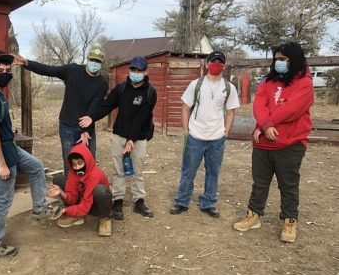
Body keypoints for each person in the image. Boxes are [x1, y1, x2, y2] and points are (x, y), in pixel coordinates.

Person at [233, 42, 313, 243]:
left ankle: (289, 220)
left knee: (288, 185)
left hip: (289, 144)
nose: (279, 62)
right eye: (277, 59)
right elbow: (259, 104)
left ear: (294, 60)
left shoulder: (304, 83)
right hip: (262, 143)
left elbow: (292, 109)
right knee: (259, 183)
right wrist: (264, 125)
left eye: (283, 59)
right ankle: (254, 214)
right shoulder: (268, 82)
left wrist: (267, 124)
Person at [0, 50, 51, 257]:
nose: (4, 74)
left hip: (10, 148)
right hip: (0, 154)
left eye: (7, 70)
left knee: (36, 167)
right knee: (4, 198)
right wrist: (1, 164)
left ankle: (40, 209)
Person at [81, 56, 157, 220]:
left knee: (137, 170)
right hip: (119, 136)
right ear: (130, 70)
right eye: (133, 70)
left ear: (146, 72)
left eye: (139, 70)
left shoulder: (150, 92)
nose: (136, 73)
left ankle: (139, 201)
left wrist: (131, 140)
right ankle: (118, 201)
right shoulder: (121, 89)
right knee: (119, 170)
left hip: (138, 138)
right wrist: (91, 117)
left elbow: (142, 118)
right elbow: (106, 106)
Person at [13, 46, 108, 174]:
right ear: (87, 59)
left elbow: (95, 106)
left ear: (102, 63)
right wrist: (27, 63)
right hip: (67, 126)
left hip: (87, 127)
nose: (94, 64)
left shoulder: (102, 83)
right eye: (92, 60)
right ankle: (70, 191)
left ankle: (87, 191)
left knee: (89, 162)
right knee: (70, 162)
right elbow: (49, 70)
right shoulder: (72, 70)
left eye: (98, 62)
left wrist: (86, 129)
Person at [169, 51, 240, 218]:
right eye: (213, 61)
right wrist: (186, 130)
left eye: (219, 62)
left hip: (216, 138)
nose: (216, 65)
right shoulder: (196, 85)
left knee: (213, 172)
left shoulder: (229, 88)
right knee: (188, 171)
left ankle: (208, 202)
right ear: (207, 64)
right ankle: (182, 201)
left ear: (223, 66)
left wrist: (226, 131)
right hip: (195, 137)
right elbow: (185, 107)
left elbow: (231, 111)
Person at [48, 143, 113, 236]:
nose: (77, 167)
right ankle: (78, 216)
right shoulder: (74, 172)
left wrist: (67, 210)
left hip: (95, 205)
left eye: (80, 163)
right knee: (59, 179)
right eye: (74, 164)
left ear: (86, 161)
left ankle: (105, 219)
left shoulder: (95, 175)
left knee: (100, 190)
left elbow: (86, 204)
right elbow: (72, 197)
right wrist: (61, 192)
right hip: (83, 201)